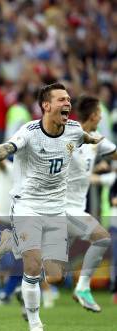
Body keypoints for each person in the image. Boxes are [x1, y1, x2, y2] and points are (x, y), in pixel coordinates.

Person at [0, 83, 103, 331]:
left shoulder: (73, 130)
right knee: (33, 263)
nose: (67, 103)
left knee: (56, 276)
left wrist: (91, 138)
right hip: (27, 205)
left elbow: (84, 137)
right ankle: (35, 323)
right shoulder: (29, 131)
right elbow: (6, 148)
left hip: (56, 208)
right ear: (46, 106)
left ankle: (24, 291)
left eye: (68, 99)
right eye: (61, 99)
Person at [65, 95, 116, 312]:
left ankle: (25, 290)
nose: (101, 117)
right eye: (100, 114)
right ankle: (82, 288)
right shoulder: (66, 134)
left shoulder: (96, 139)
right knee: (102, 238)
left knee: (50, 265)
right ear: (94, 115)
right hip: (59, 205)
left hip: (75, 207)